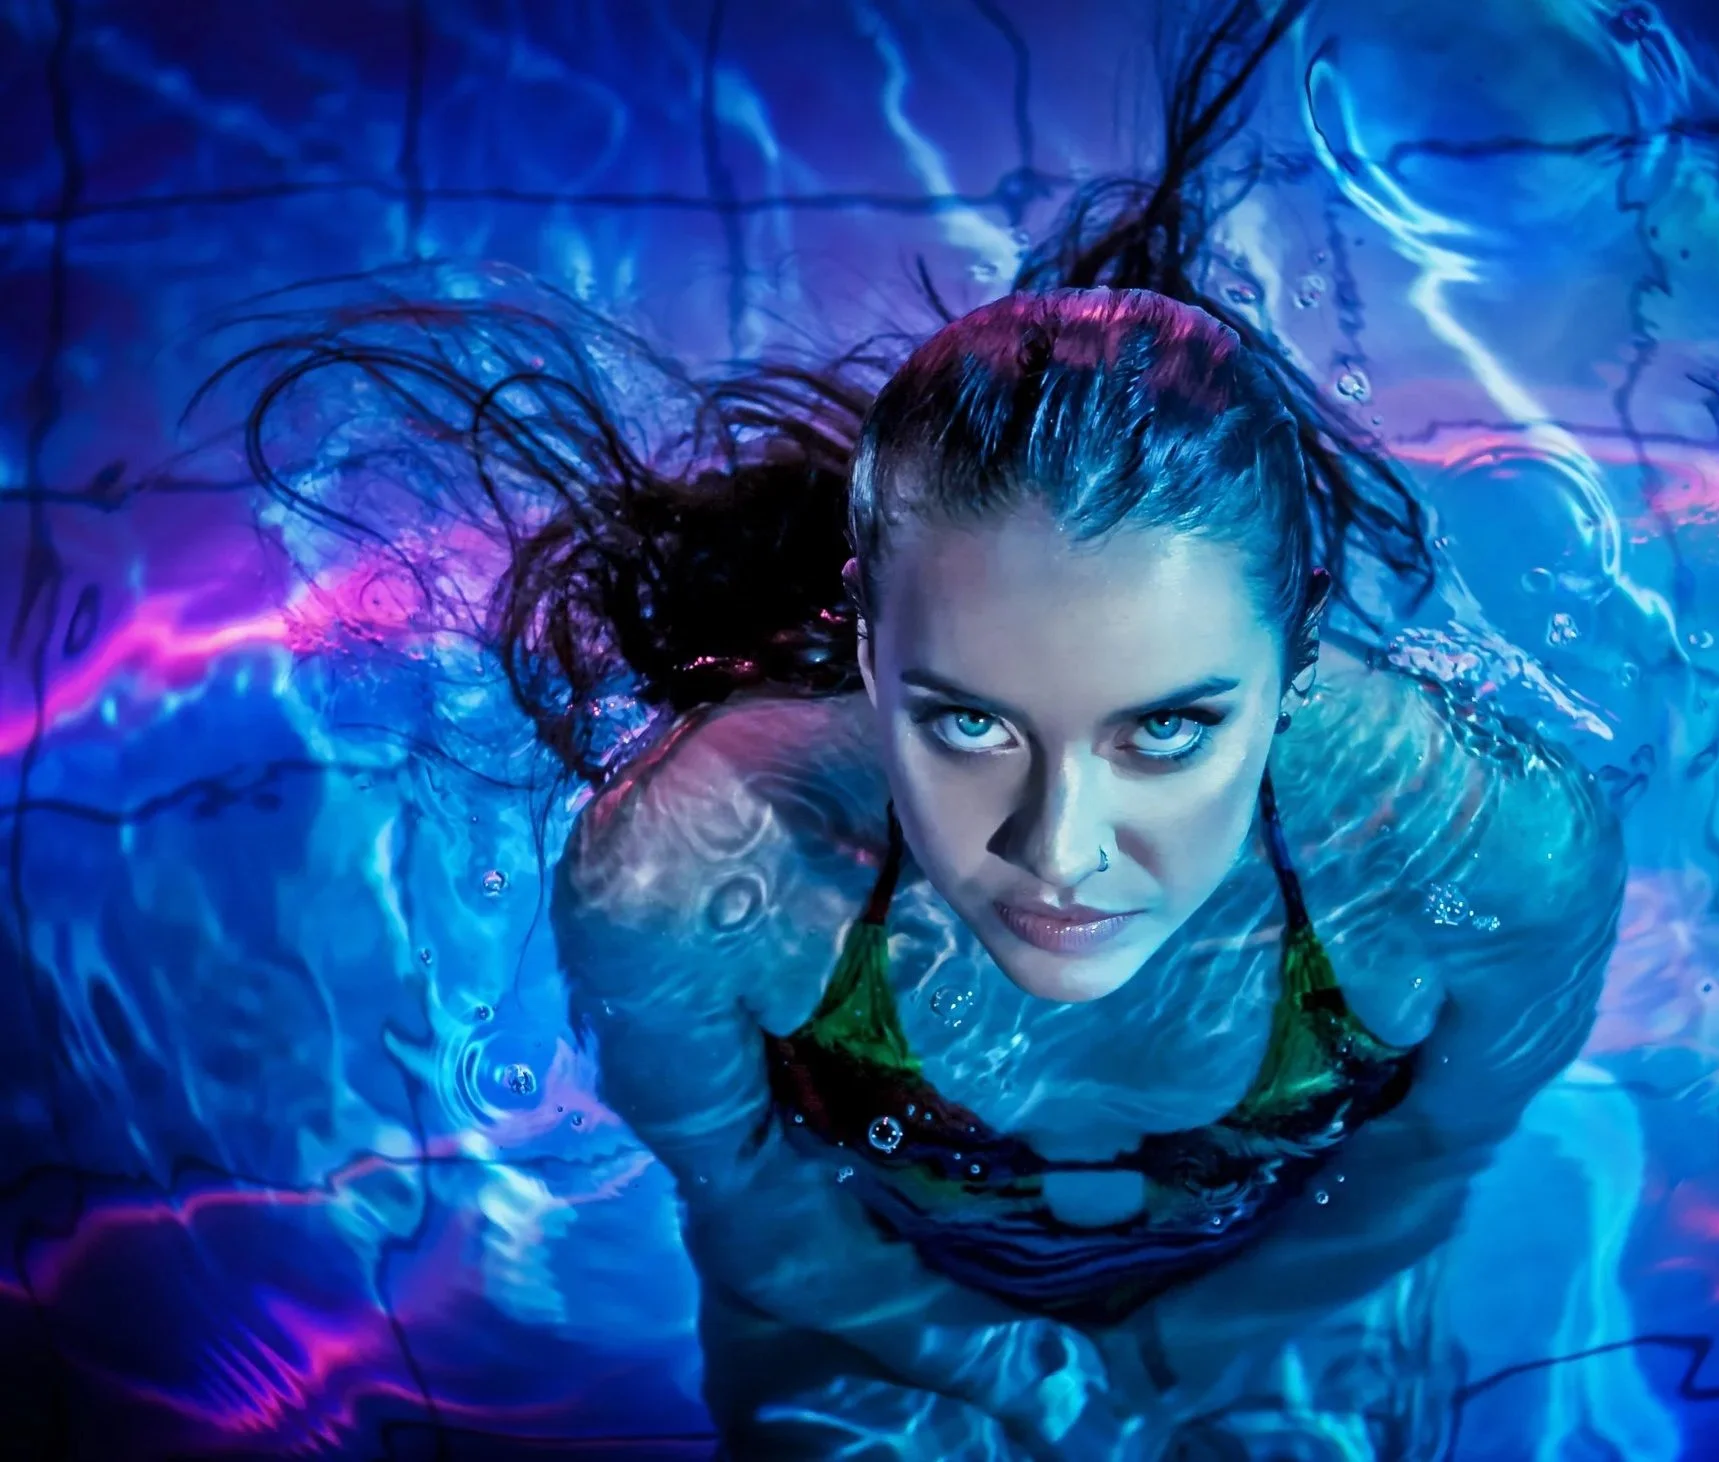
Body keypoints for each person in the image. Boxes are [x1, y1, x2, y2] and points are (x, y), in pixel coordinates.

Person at [225, 5, 1624, 1455]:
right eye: (968, 723)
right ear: (865, 650)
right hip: (862, 1325)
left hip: (1283, 1314)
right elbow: (756, 1208)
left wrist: (1188, 1356)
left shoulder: (1488, 858)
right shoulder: (688, 872)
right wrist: (1037, 1384)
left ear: (1299, 660)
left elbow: (1428, 1164)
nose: (1057, 849)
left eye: (1166, 732)